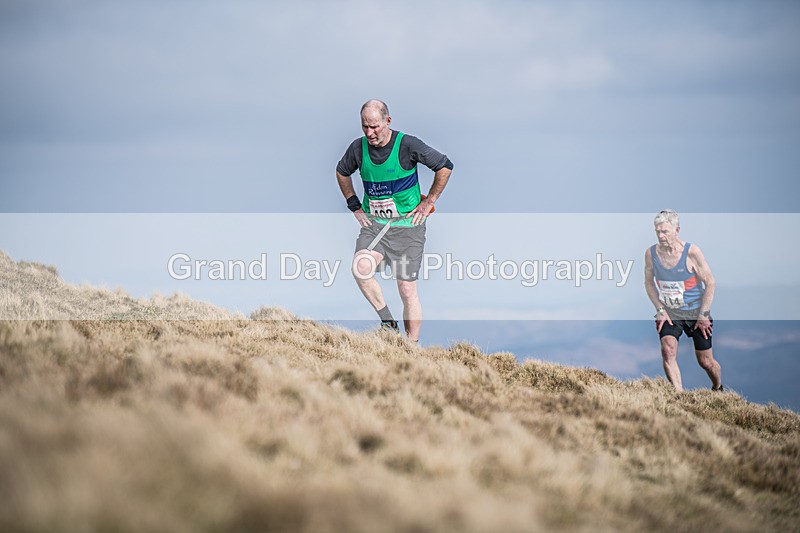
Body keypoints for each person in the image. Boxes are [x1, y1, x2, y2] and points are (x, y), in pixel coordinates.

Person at [336, 99, 453, 341]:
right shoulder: (358, 149)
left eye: (375, 127)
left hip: (408, 228)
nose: (369, 133)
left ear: (387, 121)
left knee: (407, 289)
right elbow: (341, 172)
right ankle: (388, 323)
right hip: (376, 226)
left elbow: (444, 166)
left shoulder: (407, 145)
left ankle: (412, 347)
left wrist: (428, 201)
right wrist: (354, 205)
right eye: (365, 127)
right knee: (361, 267)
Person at [644, 209, 723, 392]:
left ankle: (718, 387)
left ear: (676, 230)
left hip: (696, 311)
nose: (661, 236)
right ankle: (679, 397)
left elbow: (710, 283)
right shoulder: (651, 254)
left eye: (665, 232)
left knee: (705, 361)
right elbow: (648, 282)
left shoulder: (691, 252)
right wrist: (660, 309)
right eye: (658, 232)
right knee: (668, 350)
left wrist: (704, 314)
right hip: (670, 313)